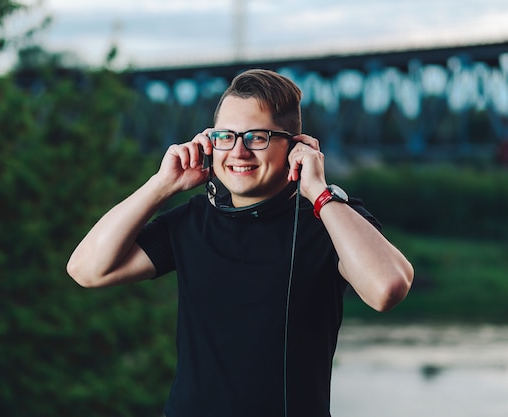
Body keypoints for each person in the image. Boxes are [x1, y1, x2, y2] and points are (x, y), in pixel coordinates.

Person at [67, 69, 414, 417]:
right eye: (225, 136)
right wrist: (161, 185)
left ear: (295, 146)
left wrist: (319, 193)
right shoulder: (191, 220)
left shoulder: (330, 218)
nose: (239, 151)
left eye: (256, 137)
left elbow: (387, 289)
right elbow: (86, 269)